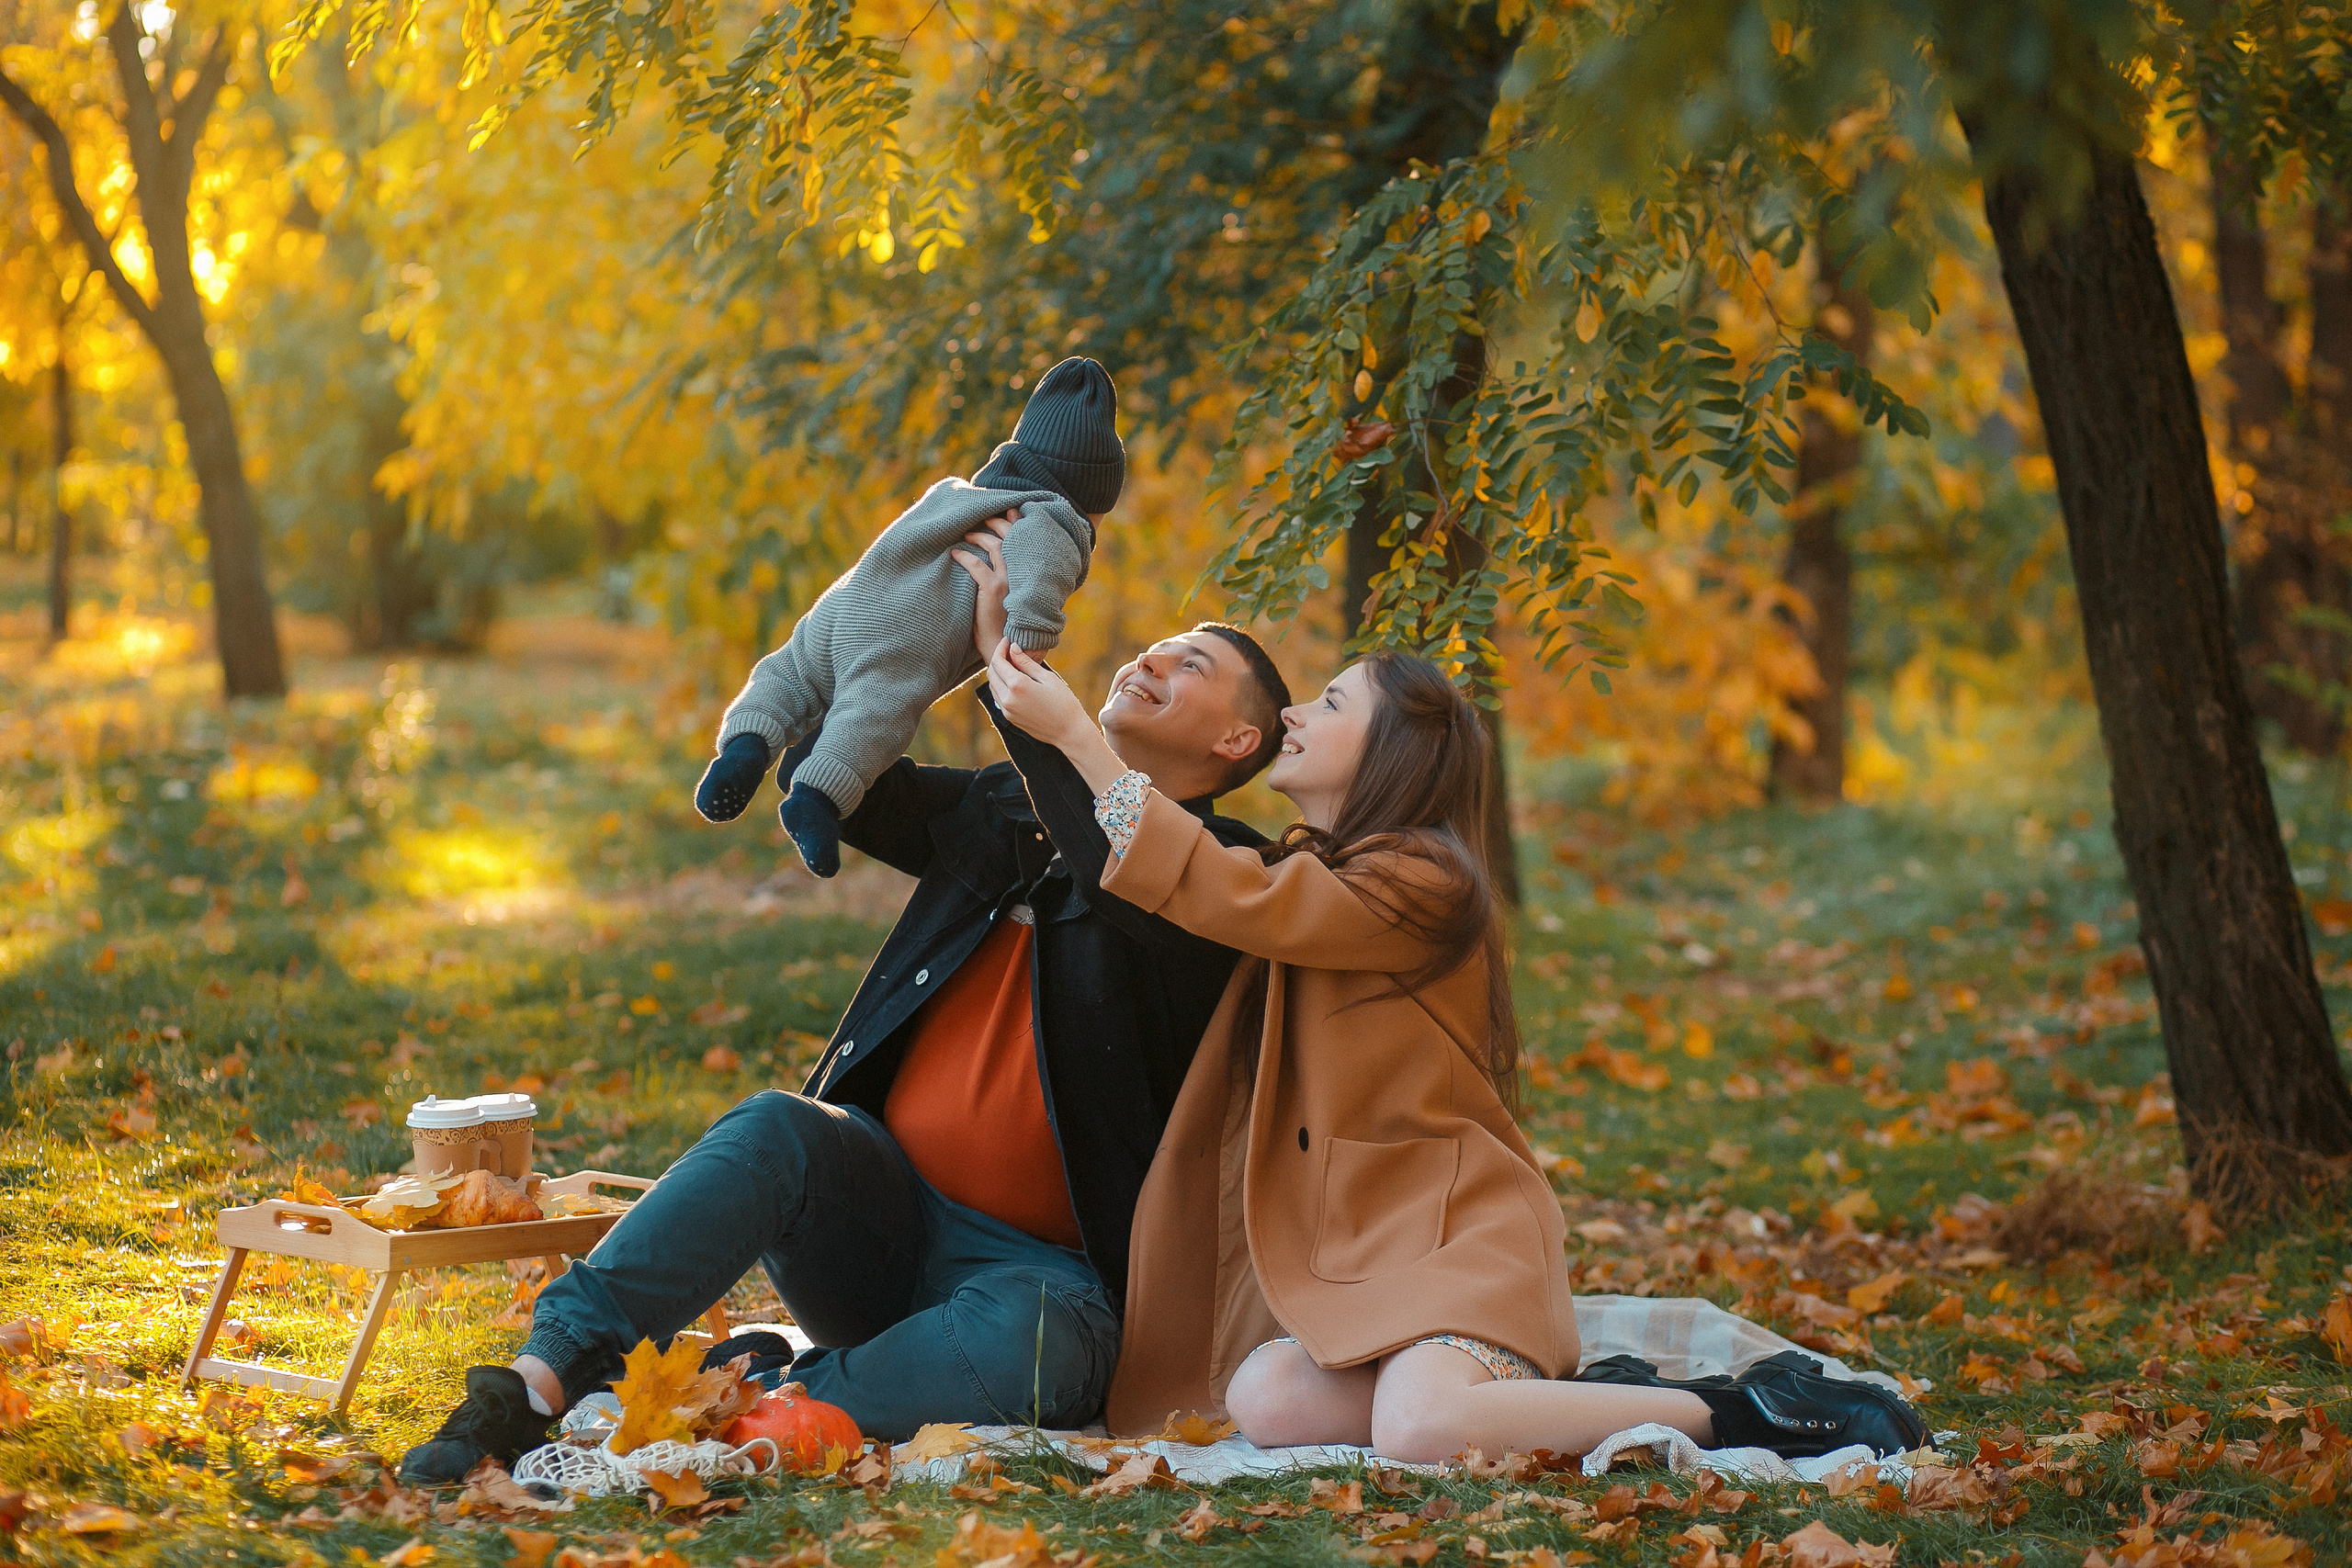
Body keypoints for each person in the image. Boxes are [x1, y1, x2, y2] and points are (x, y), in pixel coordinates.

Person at [396, 523, 1295, 1483]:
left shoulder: (1231, 875)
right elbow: (831, 778)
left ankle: (760, 1394)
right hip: (877, 1221)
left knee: (1038, 1346)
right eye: (1156, 645)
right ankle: (532, 1386)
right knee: (777, 1126)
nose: (1151, 657)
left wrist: (1028, 700)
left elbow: (1122, 868)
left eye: (1190, 663)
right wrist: (933, 633)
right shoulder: (1005, 807)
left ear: (1236, 739)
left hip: (1040, 1281)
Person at [983, 637, 1928, 1463]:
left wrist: (1075, 736)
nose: (1295, 714)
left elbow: (1221, 892)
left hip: (1454, 1239)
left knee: (1419, 1427)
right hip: (1367, 1255)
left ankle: (1742, 1408)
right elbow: (1183, 879)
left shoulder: (1424, 880)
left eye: (1331, 702)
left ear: (1392, 751)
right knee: (1264, 1399)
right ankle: (1584, 1394)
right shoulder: (1320, 874)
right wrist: (1009, 667)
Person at [692, 357, 1125, 880]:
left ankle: (743, 748)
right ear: (1088, 496)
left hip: (847, 602)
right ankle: (815, 800)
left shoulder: (953, 494)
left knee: (793, 671)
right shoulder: (1053, 518)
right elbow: (1038, 587)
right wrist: (1025, 642)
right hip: (904, 637)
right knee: (874, 713)